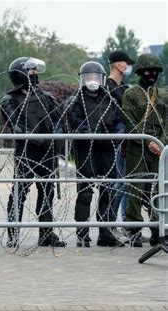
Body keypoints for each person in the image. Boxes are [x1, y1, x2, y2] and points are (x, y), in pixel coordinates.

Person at [1, 57, 66, 248]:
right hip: (27, 151)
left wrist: (55, 137)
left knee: (47, 192)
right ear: (21, 74)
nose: (35, 74)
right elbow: (17, 126)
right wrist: (40, 138)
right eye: (31, 71)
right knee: (19, 192)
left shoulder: (47, 97)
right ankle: (13, 233)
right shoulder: (10, 100)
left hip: (48, 152)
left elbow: (59, 120)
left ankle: (46, 233)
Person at [68, 61, 125, 247]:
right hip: (86, 150)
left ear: (101, 79)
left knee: (107, 191)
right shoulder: (76, 100)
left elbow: (120, 121)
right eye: (88, 77)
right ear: (82, 79)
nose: (92, 81)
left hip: (107, 150)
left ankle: (105, 233)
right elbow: (75, 120)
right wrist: (90, 136)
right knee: (85, 192)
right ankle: (82, 234)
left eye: (95, 77)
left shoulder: (110, 99)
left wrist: (116, 135)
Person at [122, 53, 166, 247]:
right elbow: (129, 120)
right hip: (137, 148)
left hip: (159, 148)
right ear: (140, 72)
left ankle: (159, 229)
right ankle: (134, 230)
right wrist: (147, 141)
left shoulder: (163, 94)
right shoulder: (131, 94)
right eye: (148, 71)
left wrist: (161, 143)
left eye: (155, 71)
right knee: (135, 190)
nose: (152, 75)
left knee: (158, 189)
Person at [106, 50, 135, 227]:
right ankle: (108, 224)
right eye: (126, 63)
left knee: (126, 183)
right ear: (118, 64)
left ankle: (126, 224)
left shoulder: (124, 88)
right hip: (115, 141)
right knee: (119, 183)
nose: (128, 66)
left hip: (127, 139)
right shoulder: (106, 87)